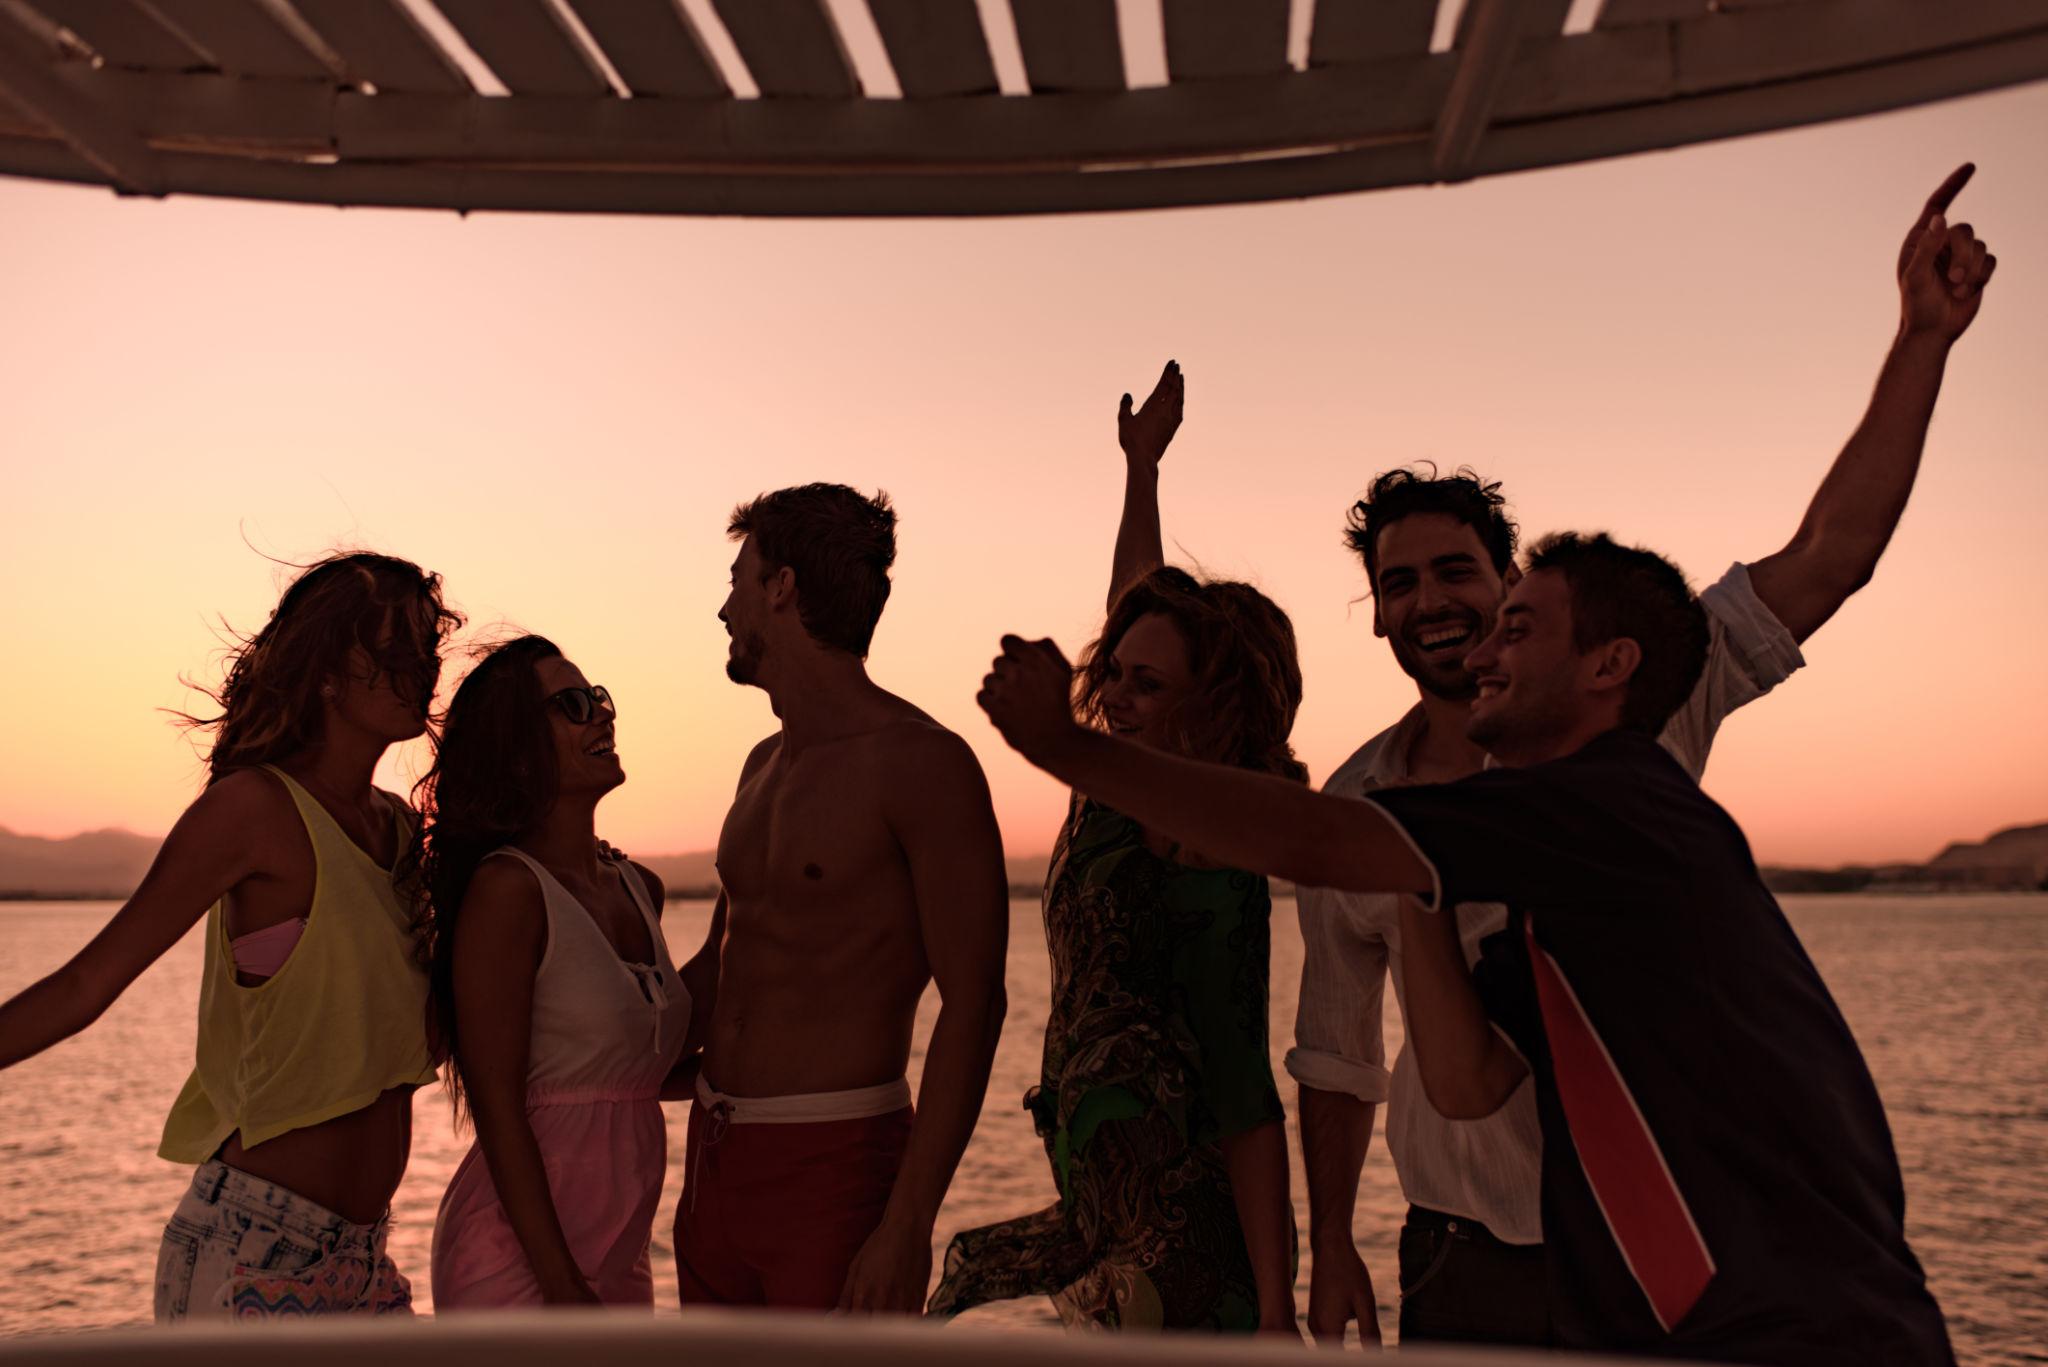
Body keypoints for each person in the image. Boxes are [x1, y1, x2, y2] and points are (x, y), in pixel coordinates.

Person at [1287, 163, 1999, 1347]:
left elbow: (1829, 553)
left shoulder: (1628, 686)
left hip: (1644, 1257)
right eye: (1398, 585)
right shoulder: (1357, 802)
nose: (1431, 603)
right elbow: (1336, 1050)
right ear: (1374, 615)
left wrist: (1920, 338)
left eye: (1457, 572)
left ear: (1510, 585)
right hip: (1456, 1252)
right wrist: (1327, 1248)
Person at [973, 532, 1955, 1365]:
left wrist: (1064, 745)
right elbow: (1462, 1080)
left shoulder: (1615, 799)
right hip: (1671, 1323)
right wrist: (1417, 874)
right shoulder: (1551, 877)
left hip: (1789, 1328)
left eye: (1516, 628)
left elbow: (1312, 837)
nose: (1482, 651)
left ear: (1607, 666)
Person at [927, 363, 1300, 1334]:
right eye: (1115, 678)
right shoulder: (1105, 784)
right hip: (1098, 1209)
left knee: (978, 1327)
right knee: (961, 1282)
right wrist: (1141, 469)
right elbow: (1133, 602)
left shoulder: (1213, 846)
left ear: (1206, 707)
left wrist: (1279, 1307)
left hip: (1175, 1242)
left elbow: (1246, 1092)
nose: (1117, 696)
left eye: (1146, 685)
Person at [0, 551, 462, 1320]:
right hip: (253, 1242)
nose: (423, 668)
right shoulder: (253, 810)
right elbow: (88, 982)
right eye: (393, 649)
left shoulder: (401, 832)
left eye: (427, 646)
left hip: (364, 1255)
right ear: (325, 671)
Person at [676, 482, 1009, 1313]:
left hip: (837, 1164)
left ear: (781, 586)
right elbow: (716, 972)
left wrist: (909, 1223)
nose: (724, 609)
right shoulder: (759, 766)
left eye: (737, 578)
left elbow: (975, 1001)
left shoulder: (922, 763)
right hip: (712, 1163)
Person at [420, 636, 712, 1307]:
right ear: (517, 752)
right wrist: (559, 1283)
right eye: (573, 705)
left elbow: (619, 1078)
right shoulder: (509, 891)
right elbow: (498, 1106)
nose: (602, 716)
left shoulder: (639, 886)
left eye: (600, 699)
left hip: (618, 1257)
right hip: (521, 1260)